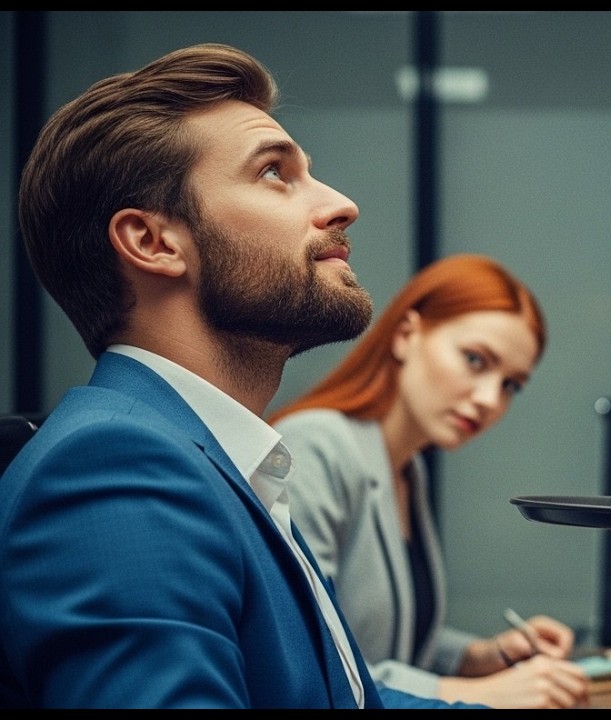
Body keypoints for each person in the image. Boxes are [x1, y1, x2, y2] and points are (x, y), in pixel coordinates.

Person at [1, 43, 479, 709]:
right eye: (275, 174)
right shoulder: (114, 469)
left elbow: (349, 699)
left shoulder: (224, 462)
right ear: (153, 242)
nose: (342, 204)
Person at [267, 254, 591, 709]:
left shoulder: (406, 467)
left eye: (510, 385)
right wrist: (479, 694)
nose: (488, 400)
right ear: (406, 334)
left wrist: (483, 656)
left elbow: (382, 638)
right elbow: (317, 666)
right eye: (476, 360)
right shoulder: (317, 446)